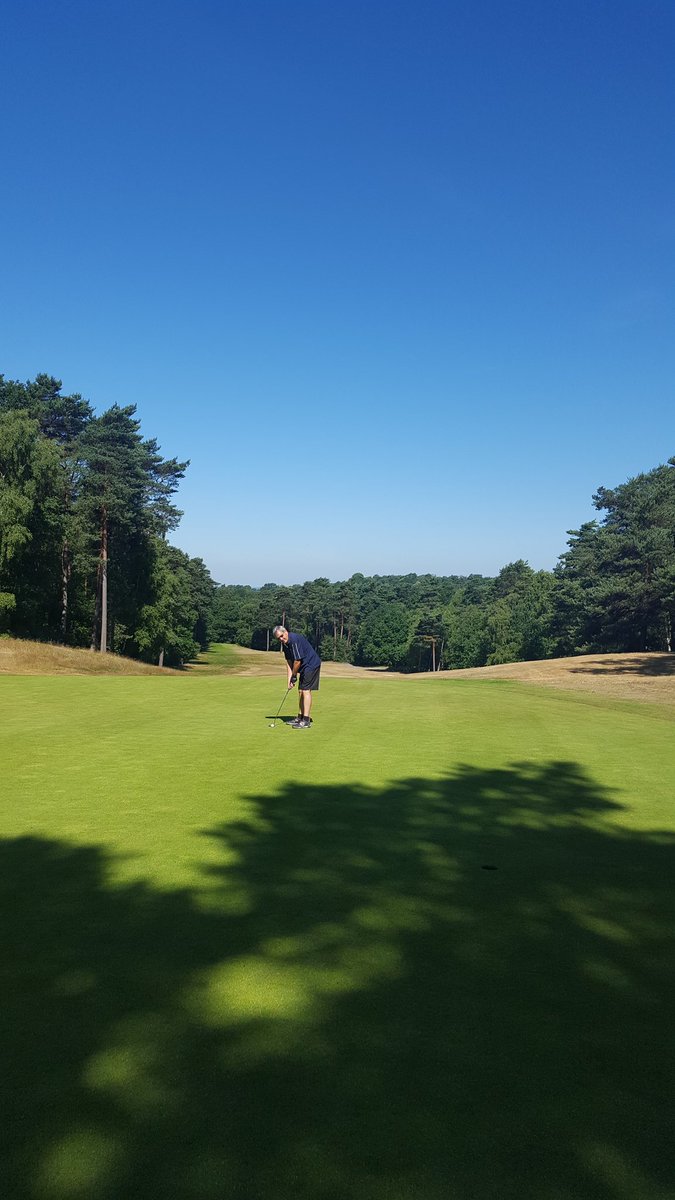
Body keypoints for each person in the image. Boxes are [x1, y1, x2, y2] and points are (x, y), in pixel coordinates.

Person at [272, 625, 321, 729]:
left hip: (311, 664)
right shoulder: (285, 645)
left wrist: (294, 676)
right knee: (300, 691)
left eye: (281, 636)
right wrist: (289, 680)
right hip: (304, 666)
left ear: (285, 632)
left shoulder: (294, 640)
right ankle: (300, 717)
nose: (281, 639)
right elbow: (289, 662)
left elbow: (297, 661)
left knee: (305, 690)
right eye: (278, 638)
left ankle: (306, 720)